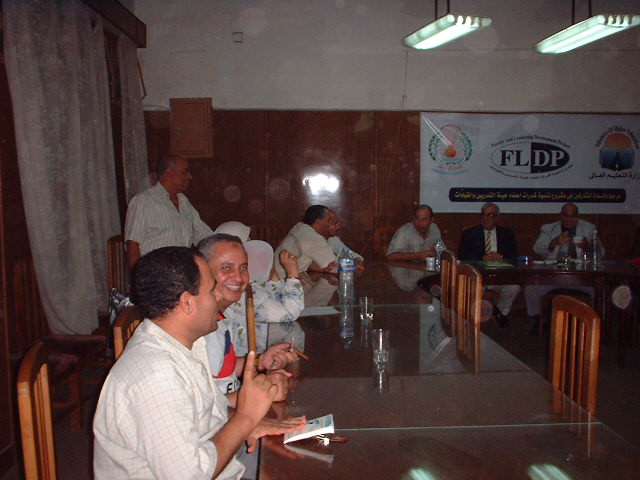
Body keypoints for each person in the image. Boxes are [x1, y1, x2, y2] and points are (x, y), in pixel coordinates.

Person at [93, 246, 304, 479]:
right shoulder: (155, 374)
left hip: (217, 459)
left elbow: (210, 407)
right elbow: (191, 476)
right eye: (212, 290)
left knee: (301, 454)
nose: (219, 297)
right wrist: (245, 419)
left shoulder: (186, 343)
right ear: (187, 302)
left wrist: (252, 414)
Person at [198, 234, 303, 397]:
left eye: (243, 268)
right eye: (226, 268)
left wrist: (261, 361)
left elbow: (222, 369)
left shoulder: (221, 316)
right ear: (201, 271)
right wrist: (259, 395)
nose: (239, 277)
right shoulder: (198, 329)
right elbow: (207, 404)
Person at [124, 155, 213, 270]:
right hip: (156, 273)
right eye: (185, 172)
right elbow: (132, 244)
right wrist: (137, 277)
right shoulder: (143, 201)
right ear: (169, 174)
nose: (189, 177)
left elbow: (203, 236)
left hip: (182, 271)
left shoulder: (183, 201)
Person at [526, 203, 602, 329]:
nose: (568, 219)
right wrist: (553, 243)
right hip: (554, 275)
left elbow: (600, 253)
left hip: (580, 277)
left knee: (598, 290)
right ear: (560, 215)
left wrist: (587, 246)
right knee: (531, 289)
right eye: (565, 215)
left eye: (572, 216)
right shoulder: (548, 228)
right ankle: (538, 320)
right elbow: (537, 249)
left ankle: (591, 323)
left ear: (578, 217)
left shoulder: (589, 228)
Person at [458, 202, 521, 326]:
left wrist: (501, 257)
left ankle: (500, 313)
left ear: (497, 218)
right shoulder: (470, 233)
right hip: (478, 277)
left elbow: (514, 256)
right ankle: (473, 319)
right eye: (483, 215)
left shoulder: (507, 234)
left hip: (499, 277)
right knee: (475, 289)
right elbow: (462, 257)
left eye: (490, 215)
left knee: (514, 287)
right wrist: (482, 258)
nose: (486, 218)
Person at [274, 205, 339, 278]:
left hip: (276, 277)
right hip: (281, 281)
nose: (338, 226)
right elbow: (336, 267)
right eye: (329, 221)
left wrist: (326, 267)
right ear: (318, 222)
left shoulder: (300, 227)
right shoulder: (312, 236)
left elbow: (312, 265)